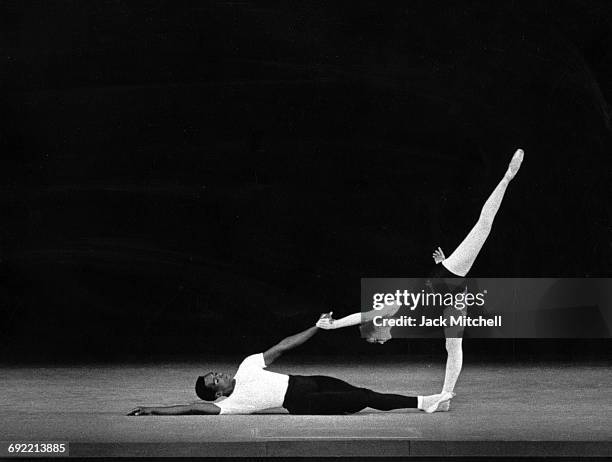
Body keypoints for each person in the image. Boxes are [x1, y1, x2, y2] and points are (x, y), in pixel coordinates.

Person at [317, 149, 525, 411]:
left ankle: (507, 176)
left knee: (483, 226)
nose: (379, 343)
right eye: (375, 343)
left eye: (373, 340)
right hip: (453, 297)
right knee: (453, 345)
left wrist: (333, 325)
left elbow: (364, 315)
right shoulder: (400, 328)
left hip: (447, 276)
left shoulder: (391, 315)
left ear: (377, 327)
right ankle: (445, 397)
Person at [127, 317, 453, 416]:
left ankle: (424, 403)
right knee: (365, 397)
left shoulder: (247, 367)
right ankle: (425, 402)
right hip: (300, 402)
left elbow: (283, 346)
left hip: (305, 380)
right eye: (216, 379)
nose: (220, 374)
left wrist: (317, 326)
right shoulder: (229, 406)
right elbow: (188, 408)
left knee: (358, 391)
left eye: (216, 372)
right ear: (216, 393)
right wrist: (151, 409)